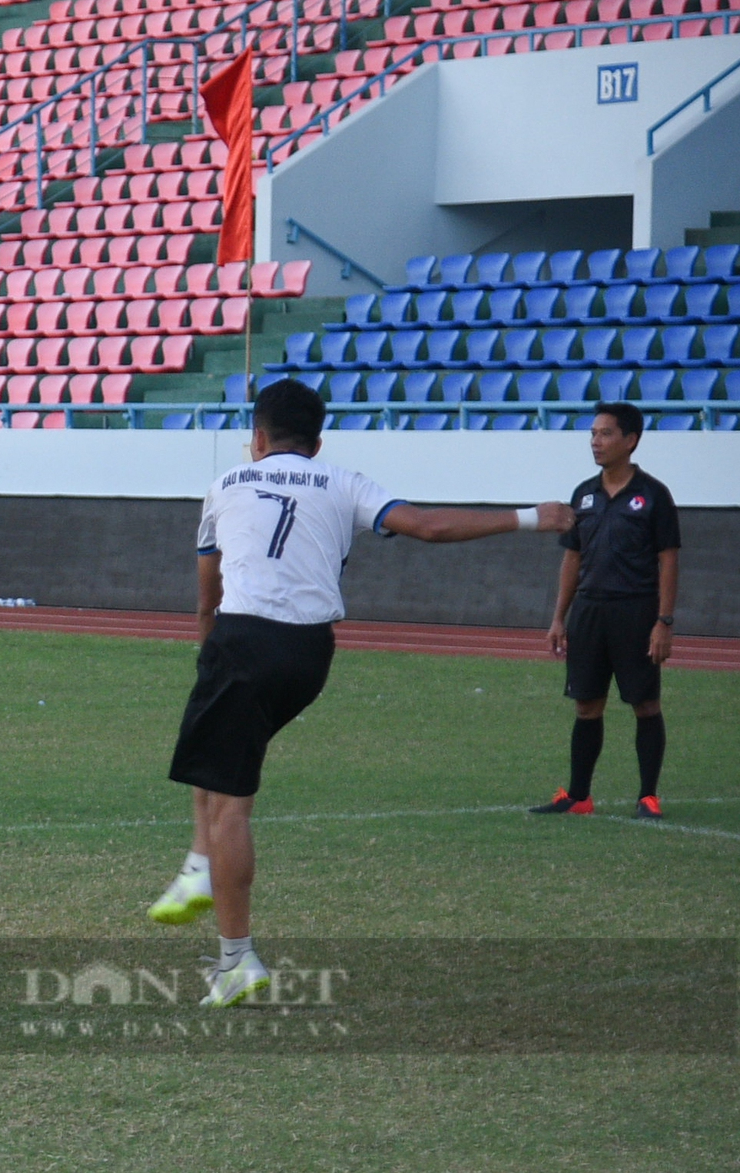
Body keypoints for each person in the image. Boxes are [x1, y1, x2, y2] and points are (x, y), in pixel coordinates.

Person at [145, 379, 573, 1006]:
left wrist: (208, 646)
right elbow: (425, 526)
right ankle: (196, 869)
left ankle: (235, 953)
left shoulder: (225, 485)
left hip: (243, 641)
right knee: (216, 760)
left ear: (257, 438)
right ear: (317, 444)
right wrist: (531, 517)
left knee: (230, 803)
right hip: (310, 653)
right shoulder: (343, 481)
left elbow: (208, 590)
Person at [532, 402, 681, 821]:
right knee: (586, 705)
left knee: (645, 704)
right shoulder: (584, 494)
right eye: (593, 433)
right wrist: (559, 617)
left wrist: (663, 621)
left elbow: (668, 559)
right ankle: (579, 796)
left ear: (630, 440)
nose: (596, 441)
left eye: (605, 433)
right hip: (589, 613)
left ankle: (647, 796)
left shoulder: (653, 495)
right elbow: (572, 559)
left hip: (636, 613)